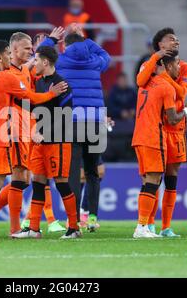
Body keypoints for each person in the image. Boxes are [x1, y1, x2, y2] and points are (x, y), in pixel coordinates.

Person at [0, 40, 68, 241]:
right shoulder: (6, 78)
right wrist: (51, 94)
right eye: (7, 53)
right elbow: (30, 98)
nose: (9, 56)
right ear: (0, 58)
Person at [0, 31, 65, 235]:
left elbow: (43, 63)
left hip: (27, 129)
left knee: (23, 180)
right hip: (14, 129)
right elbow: (28, 98)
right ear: (13, 49)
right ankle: (12, 227)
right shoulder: (8, 73)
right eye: (27, 48)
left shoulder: (24, 70)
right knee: (19, 178)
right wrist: (50, 94)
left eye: (32, 48)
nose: (31, 52)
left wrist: (51, 42)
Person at [40, 26, 111, 229]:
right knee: (92, 172)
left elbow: (42, 55)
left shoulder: (61, 60)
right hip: (96, 121)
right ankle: (93, 218)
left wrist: (52, 39)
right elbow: (106, 55)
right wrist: (85, 40)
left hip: (72, 121)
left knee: (72, 172)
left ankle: (74, 221)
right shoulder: (94, 62)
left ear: (66, 45)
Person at [12, 46, 81, 239]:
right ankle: (34, 229)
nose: (34, 63)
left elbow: (65, 116)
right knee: (38, 183)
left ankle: (74, 228)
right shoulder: (40, 83)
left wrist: (43, 133)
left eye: (37, 59)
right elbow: (33, 104)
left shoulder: (62, 84)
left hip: (57, 141)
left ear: (45, 62)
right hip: (40, 142)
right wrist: (13, 99)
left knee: (61, 183)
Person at [132, 51, 187, 238]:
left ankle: (143, 226)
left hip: (138, 137)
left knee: (147, 182)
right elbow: (173, 118)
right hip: (153, 137)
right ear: (167, 67)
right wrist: (186, 109)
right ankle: (141, 227)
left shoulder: (144, 84)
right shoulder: (166, 87)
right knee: (153, 181)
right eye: (176, 64)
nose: (180, 67)